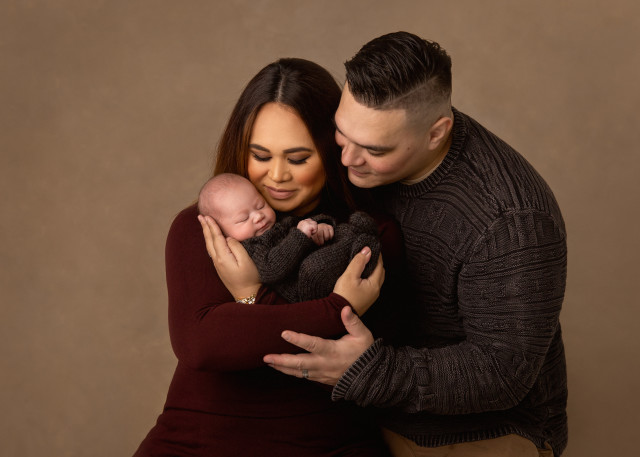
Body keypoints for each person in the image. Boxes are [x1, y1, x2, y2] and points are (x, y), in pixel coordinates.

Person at [263, 32, 568, 457]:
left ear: (436, 132)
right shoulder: (363, 158)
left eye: (374, 149)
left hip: (478, 435)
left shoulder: (511, 220)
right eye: (342, 133)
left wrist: (370, 370)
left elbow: (504, 372)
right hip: (365, 412)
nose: (347, 159)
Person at [133, 57, 405, 457]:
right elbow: (203, 345)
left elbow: (358, 355)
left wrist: (249, 297)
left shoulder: (366, 233)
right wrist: (336, 309)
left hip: (324, 444)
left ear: (332, 152)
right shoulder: (206, 225)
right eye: (260, 156)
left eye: (297, 159)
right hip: (195, 441)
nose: (276, 176)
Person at [197, 172, 382, 302]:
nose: (258, 216)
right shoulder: (249, 249)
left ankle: (358, 234)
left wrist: (319, 226)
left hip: (319, 256)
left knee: (339, 232)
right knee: (314, 267)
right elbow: (271, 268)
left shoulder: (278, 223)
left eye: (260, 205)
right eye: (243, 219)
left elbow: (299, 223)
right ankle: (363, 248)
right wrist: (300, 236)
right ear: (221, 232)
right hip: (304, 287)